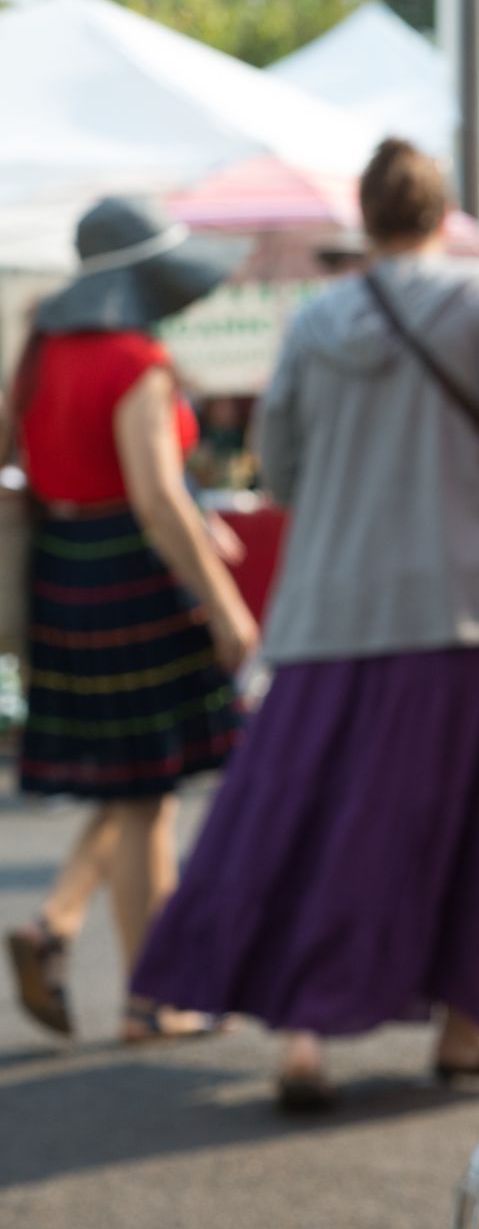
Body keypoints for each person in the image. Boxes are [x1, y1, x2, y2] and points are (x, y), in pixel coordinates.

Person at [129, 139, 479, 1109]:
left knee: (317, 820)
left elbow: (281, 470)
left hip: (335, 605)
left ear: (364, 219)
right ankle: (472, 1027)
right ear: (443, 211)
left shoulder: (317, 320)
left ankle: (305, 1033)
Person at [3, 197, 257, 1042]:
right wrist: (225, 607)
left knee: (128, 786)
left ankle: (67, 927)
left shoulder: (40, 351)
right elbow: (153, 494)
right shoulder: (137, 363)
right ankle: (153, 999)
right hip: (133, 583)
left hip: (63, 576)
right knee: (148, 798)